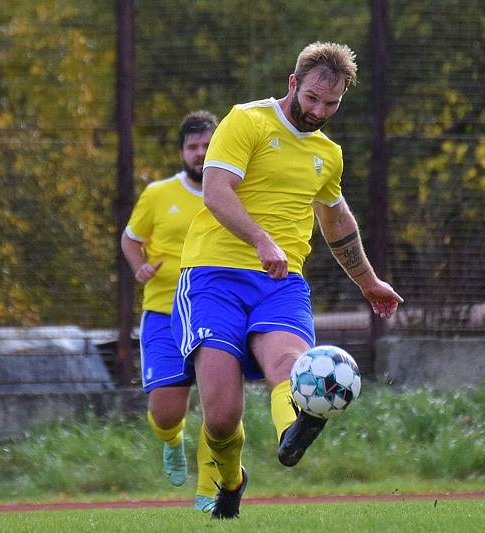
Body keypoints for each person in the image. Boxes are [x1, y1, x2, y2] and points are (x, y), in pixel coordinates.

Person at [171, 42, 404, 519]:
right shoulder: (246, 121)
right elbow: (216, 193)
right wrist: (260, 239)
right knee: (219, 417)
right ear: (293, 83)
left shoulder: (328, 154)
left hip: (281, 284)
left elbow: (337, 223)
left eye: (332, 104)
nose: (319, 111)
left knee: (291, 367)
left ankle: (292, 435)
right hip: (213, 277)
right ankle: (232, 481)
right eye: (313, 98)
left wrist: (369, 282)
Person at [121, 110, 221, 511]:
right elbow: (131, 239)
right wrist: (139, 267)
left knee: (220, 405)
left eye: (208, 145)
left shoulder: (236, 192)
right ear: (182, 152)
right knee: (166, 411)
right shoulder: (158, 195)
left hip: (213, 313)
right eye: (193, 146)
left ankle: (208, 490)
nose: (201, 153)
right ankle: (172, 441)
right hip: (163, 313)